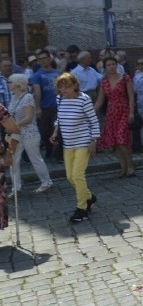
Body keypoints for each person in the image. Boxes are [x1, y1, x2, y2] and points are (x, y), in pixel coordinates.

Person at [51, 73, 100, 223]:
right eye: (60, 87)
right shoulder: (59, 99)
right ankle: (89, 197)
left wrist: (93, 141)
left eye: (66, 86)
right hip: (68, 144)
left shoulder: (83, 99)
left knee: (78, 175)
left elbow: (94, 121)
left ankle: (81, 208)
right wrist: (54, 133)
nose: (63, 89)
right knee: (70, 177)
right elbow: (59, 118)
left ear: (74, 85)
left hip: (83, 142)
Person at [7, 74, 53, 193]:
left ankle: (46, 182)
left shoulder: (28, 97)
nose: (8, 84)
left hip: (29, 133)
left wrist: (15, 125)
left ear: (18, 84)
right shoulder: (13, 98)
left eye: (10, 82)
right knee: (13, 160)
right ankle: (16, 187)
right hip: (16, 134)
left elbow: (29, 117)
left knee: (35, 158)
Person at [93, 56, 136, 178]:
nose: (111, 67)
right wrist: (89, 112)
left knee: (122, 139)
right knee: (114, 143)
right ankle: (123, 168)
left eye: (113, 64)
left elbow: (131, 96)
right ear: (105, 67)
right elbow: (100, 101)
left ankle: (130, 166)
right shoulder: (104, 82)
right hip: (111, 113)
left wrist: (131, 112)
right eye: (108, 65)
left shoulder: (125, 78)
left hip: (123, 110)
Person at [30, 50, 62, 161]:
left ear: (50, 59)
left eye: (44, 58)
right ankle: (48, 151)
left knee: (57, 130)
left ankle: (58, 155)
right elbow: (37, 92)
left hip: (57, 107)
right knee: (44, 131)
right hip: (44, 108)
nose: (42, 60)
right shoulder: (36, 75)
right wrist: (38, 108)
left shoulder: (58, 73)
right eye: (40, 59)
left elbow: (62, 90)